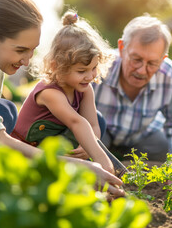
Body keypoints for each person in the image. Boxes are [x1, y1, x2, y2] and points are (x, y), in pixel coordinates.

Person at [0, 0, 123, 196]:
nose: (27, 61)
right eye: (21, 50)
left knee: (1, 113)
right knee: (2, 110)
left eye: (32, 50)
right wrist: (74, 166)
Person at [12, 11, 115, 174]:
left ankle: (73, 171)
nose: (89, 76)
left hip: (54, 146)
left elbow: (93, 125)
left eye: (93, 68)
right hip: (27, 152)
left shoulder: (85, 89)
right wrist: (105, 164)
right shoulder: (49, 92)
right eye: (81, 71)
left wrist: (87, 147)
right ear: (56, 67)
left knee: (97, 122)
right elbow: (76, 122)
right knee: (82, 129)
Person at [92, 14, 172, 166]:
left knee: (162, 146)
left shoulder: (170, 76)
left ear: (162, 60)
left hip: (140, 138)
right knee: (92, 139)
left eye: (152, 63)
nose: (141, 71)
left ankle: (124, 160)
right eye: (136, 59)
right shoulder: (98, 67)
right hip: (101, 133)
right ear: (121, 48)